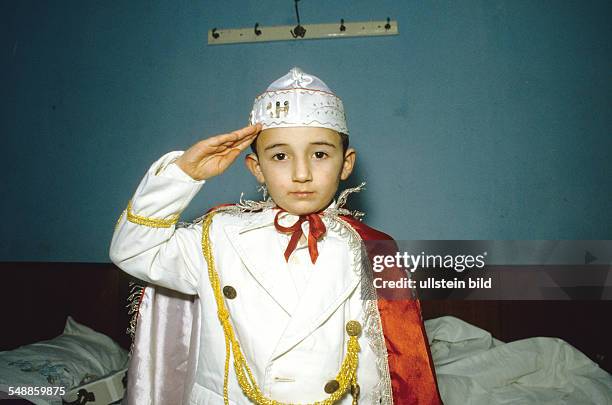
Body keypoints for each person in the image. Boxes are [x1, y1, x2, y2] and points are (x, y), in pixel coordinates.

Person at [110, 67, 441, 404]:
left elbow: (381, 367)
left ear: (346, 164)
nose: (301, 174)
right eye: (280, 156)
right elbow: (133, 250)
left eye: (320, 154)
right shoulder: (216, 237)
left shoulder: (369, 250)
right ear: (257, 168)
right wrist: (182, 174)